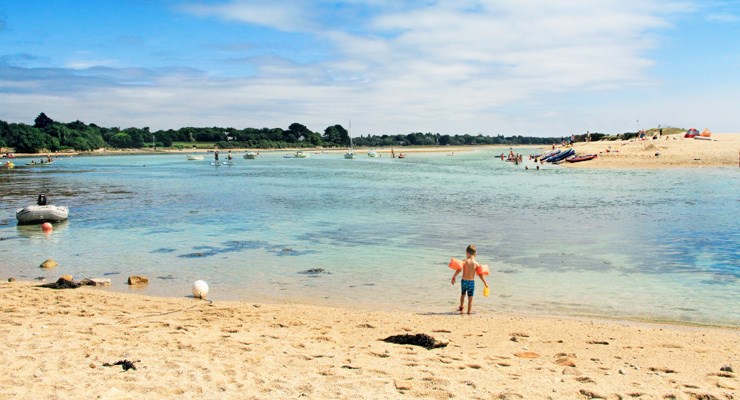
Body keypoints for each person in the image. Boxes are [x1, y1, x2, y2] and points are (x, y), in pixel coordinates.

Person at [451, 244, 489, 314]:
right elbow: (480, 275)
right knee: (470, 298)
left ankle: (461, 308)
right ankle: (469, 312)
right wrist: (485, 283)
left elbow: (459, 270)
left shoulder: (464, 261)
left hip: (464, 281)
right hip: (471, 282)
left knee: (462, 295)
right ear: (474, 254)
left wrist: (454, 277)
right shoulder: (476, 264)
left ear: (467, 252)